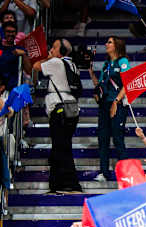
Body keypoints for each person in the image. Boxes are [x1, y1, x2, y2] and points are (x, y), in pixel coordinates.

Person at [32, 38, 82, 193]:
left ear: (61, 52)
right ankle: (56, 185)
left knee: (61, 149)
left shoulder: (57, 63)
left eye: (54, 48)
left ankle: (71, 185)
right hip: (71, 110)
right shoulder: (72, 64)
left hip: (59, 110)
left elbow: (35, 66)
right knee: (61, 148)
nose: (51, 50)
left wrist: (47, 56)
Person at [90, 36, 128, 182]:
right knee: (103, 138)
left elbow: (127, 83)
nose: (106, 44)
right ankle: (104, 172)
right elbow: (100, 84)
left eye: (109, 42)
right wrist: (91, 73)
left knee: (118, 139)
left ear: (117, 45)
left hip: (117, 104)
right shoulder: (106, 64)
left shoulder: (122, 62)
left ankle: (125, 175)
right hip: (104, 105)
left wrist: (116, 102)